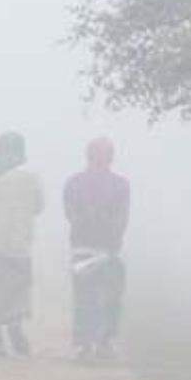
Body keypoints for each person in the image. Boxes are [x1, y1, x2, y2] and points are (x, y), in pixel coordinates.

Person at [0, 131, 44, 357]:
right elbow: (39, 206)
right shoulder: (31, 177)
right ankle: (15, 323)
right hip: (20, 244)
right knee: (18, 290)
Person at [64, 136, 131, 361]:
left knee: (90, 297)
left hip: (87, 246)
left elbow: (71, 215)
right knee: (105, 297)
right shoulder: (120, 184)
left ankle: (90, 343)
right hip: (103, 246)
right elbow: (121, 219)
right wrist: (110, 229)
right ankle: (99, 343)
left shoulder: (74, 182)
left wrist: (89, 220)